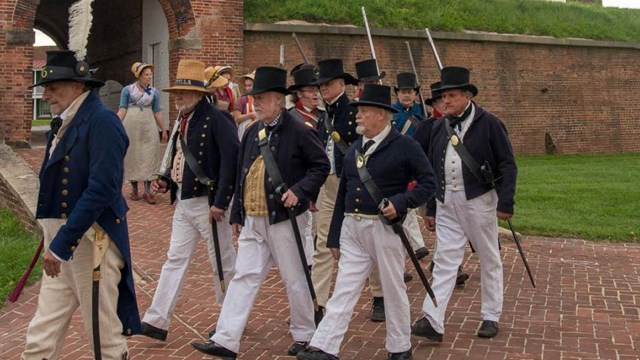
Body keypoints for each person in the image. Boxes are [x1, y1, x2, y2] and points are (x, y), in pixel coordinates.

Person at [191, 66, 330, 359]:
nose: (257, 103)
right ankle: (226, 339)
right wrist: (238, 214)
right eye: (256, 98)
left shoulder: (299, 131)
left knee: (294, 278)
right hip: (254, 218)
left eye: (263, 98)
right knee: (244, 276)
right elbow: (244, 174)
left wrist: (300, 191)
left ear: (279, 100)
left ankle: (305, 335)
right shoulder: (253, 131)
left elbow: (320, 166)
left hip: (285, 218)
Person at [296, 84, 437, 360]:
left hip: (383, 229)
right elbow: (343, 195)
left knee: (393, 288)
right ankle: (325, 346)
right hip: (353, 228)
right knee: (345, 289)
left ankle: (400, 347)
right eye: (358, 110)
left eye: (364, 111)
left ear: (382, 115)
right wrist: (334, 236)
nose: (358, 116)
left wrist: (401, 202)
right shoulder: (353, 151)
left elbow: (429, 183)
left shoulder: (405, 146)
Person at [22, 50, 140, 360]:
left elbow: (102, 189)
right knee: (41, 336)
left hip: (90, 241)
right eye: (46, 88)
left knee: (104, 339)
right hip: (61, 242)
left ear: (78, 86)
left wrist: (62, 243)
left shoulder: (102, 122)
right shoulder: (63, 122)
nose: (46, 95)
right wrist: (52, 236)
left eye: (54, 87)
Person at [411, 66, 517, 342]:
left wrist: (506, 202)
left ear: (468, 95)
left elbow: (507, 163)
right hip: (446, 201)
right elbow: (434, 169)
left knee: (488, 257)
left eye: (452, 96)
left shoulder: (490, 123)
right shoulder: (438, 127)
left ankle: (491, 315)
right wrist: (432, 208)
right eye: (443, 96)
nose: (446, 101)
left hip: (479, 201)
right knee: (445, 260)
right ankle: (432, 319)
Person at [139, 60, 239, 342]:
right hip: (184, 201)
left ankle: (231, 320)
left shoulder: (218, 119)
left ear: (198, 94)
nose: (177, 98)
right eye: (175, 93)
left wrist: (220, 201)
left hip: (210, 204)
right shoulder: (183, 119)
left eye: (182, 93)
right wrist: (167, 180)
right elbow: (180, 158)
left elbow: (231, 162)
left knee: (222, 263)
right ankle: (157, 319)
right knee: (174, 259)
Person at [311, 58, 358, 323]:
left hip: (350, 184)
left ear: (342, 84)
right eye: (320, 85)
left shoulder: (353, 111)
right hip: (328, 187)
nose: (323, 89)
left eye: (327, 84)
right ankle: (318, 302)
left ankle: (379, 295)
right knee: (323, 244)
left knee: (366, 243)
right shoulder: (323, 115)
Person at [413, 81, 470, 287]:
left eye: (448, 98)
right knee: (441, 228)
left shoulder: (466, 125)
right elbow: (417, 156)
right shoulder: (426, 127)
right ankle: (445, 264)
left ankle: (450, 266)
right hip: (430, 185)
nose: (445, 103)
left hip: (455, 186)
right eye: (440, 100)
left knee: (450, 230)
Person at [117, 62, 168, 204]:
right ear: (139, 76)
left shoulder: (154, 92)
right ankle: (134, 189)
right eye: (146, 75)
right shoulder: (128, 90)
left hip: (148, 125)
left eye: (150, 74)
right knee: (133, 154)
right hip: (131, 125)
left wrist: (163, 128)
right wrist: (115, 123)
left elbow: (157, 111)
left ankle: (147, 191)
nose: (149, 77)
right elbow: (122, 109)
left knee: (148, 154)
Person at [232, 70, 258, 139]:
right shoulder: (242, 99)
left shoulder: (260, 98)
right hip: (244, 130)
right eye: (246, 85)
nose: (247, 88)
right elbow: (237, 118)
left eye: (250, 85)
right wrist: (251, 114)